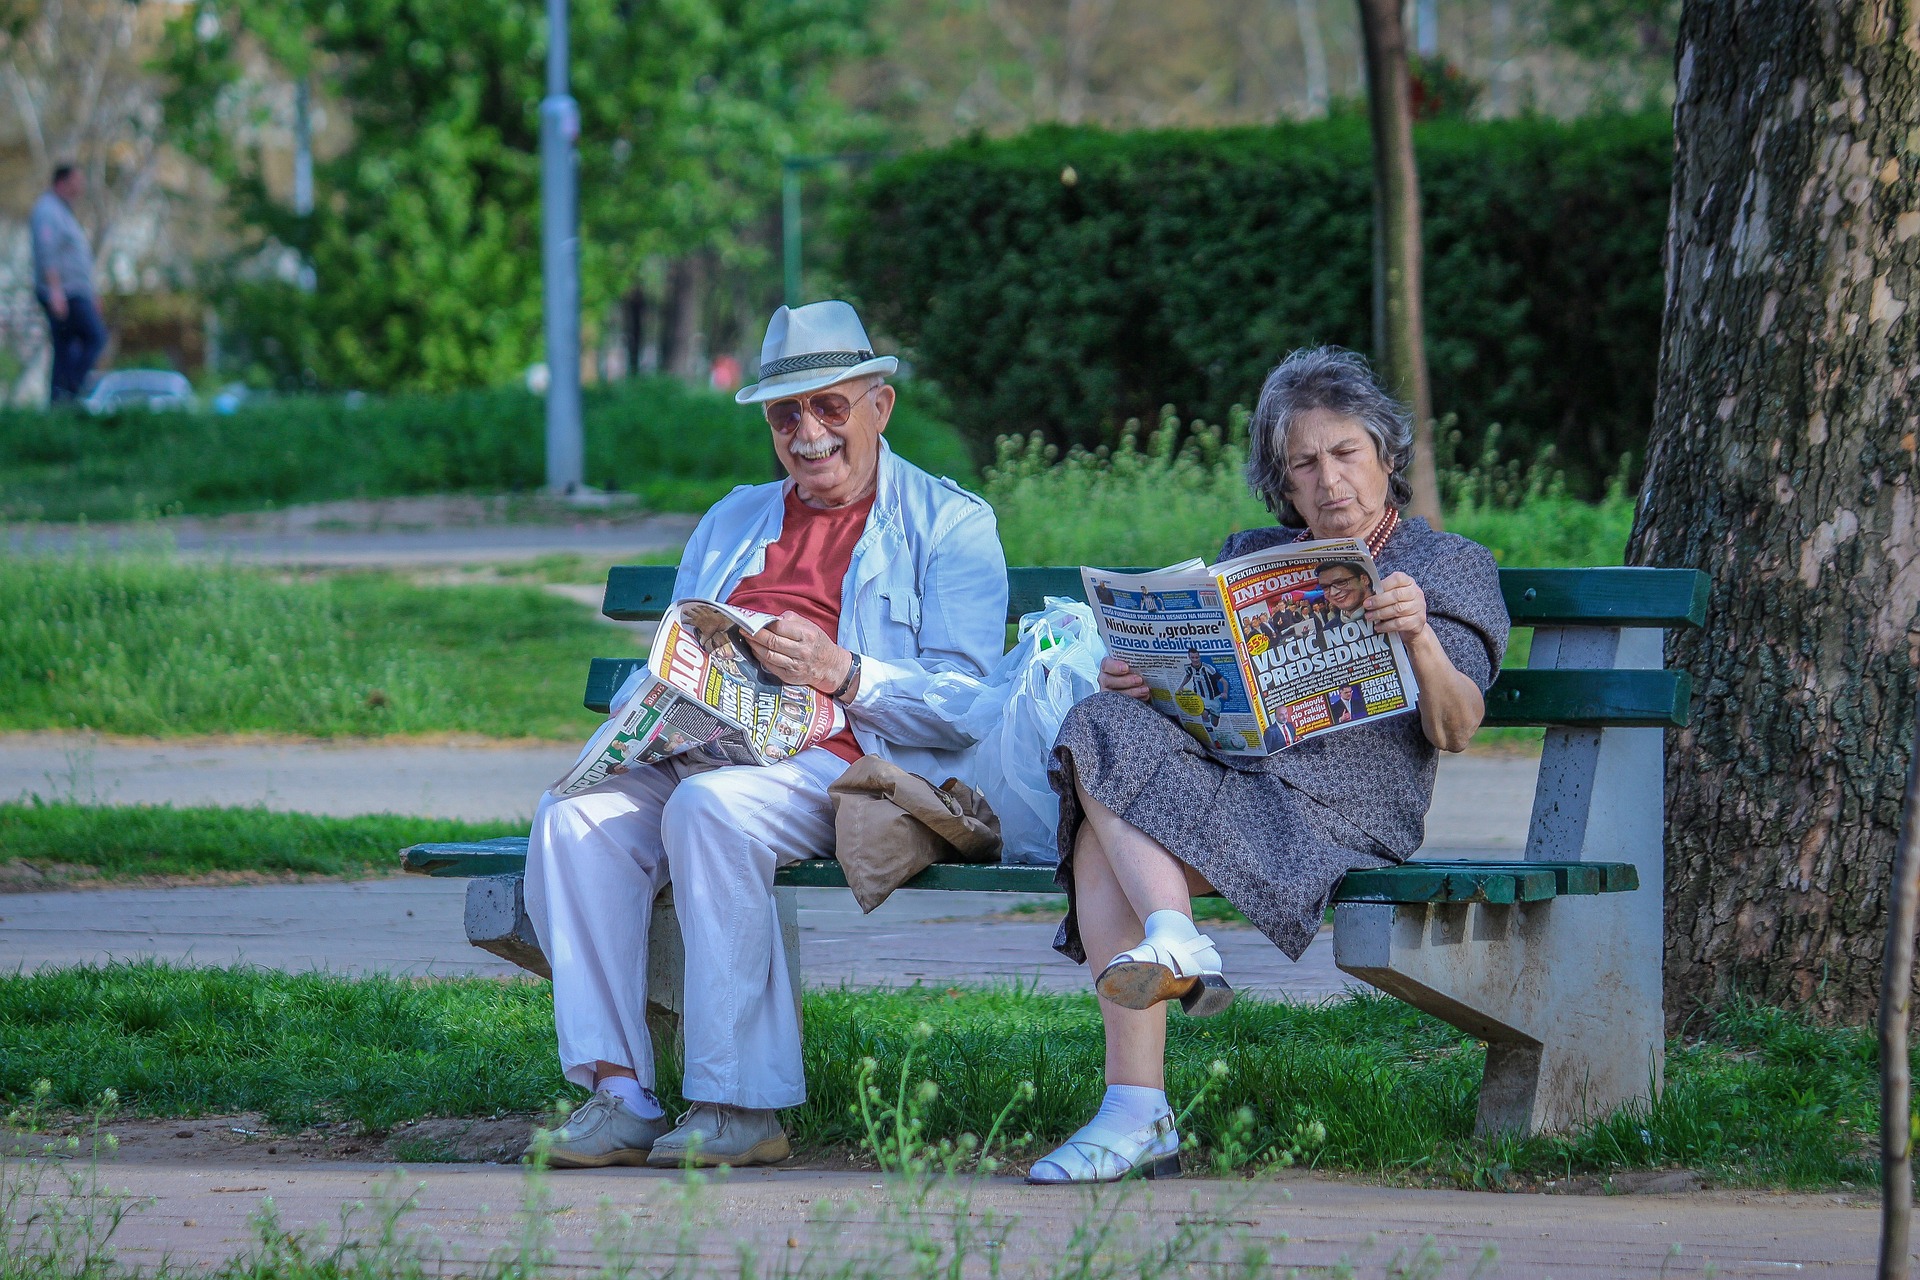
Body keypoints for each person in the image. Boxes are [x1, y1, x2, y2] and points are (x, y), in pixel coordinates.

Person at [524, 300, 1008, 1170]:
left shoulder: (951, 523)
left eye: (832, 406)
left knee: (713, 810)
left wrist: (844, 672)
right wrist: (657, 706)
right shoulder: (732, 519)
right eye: (787, 414)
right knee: (573, 817)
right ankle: (620, 1093)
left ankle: (740, 1106)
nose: (809, 432)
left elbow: (970, 705)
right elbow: (677, 645)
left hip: (849, 766)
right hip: (713, 748)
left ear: (879, 407)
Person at [1029, 346, 1508, 1184]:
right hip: (1238, 784)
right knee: (1098, 720)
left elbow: (1458, 727)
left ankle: (1136, 1106)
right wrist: (1148, 682)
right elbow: (1204, 699)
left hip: (1344, 817)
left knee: (1099, 840)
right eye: (1303, 465)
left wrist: (1420, 635)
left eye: (1345, 453)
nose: (1329, 481)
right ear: (1283, 486)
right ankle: (1174, 947)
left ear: (1386, 456)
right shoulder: (1254, 555)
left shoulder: (1444, 565)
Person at [31, 165, 106, 403]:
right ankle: (71, 388)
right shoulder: (47, 210)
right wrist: (55, 292)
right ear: (62, 182)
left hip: (76, 291)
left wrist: (92, 293)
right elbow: (47, 253)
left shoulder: (65, 212)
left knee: (64, 348)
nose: (80, 187)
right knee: (96, 337)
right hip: (65, 293)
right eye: (76, 181)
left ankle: (59, 403)